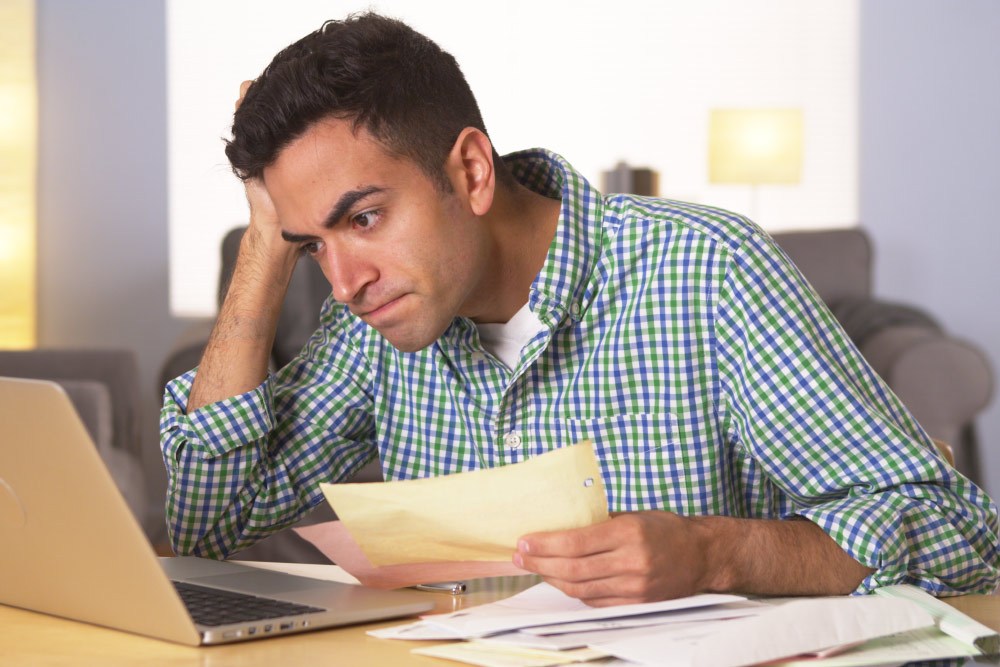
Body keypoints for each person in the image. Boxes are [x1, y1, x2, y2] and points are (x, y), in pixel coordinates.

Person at [161, 12, 999, 606]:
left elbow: (960, 534)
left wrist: (714, 552)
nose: (343, 281)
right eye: (316, 243)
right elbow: (210, 520)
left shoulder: (708, 271)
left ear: (472, 172)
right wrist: (267, 243)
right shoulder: (371, 323)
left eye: (365, 217)